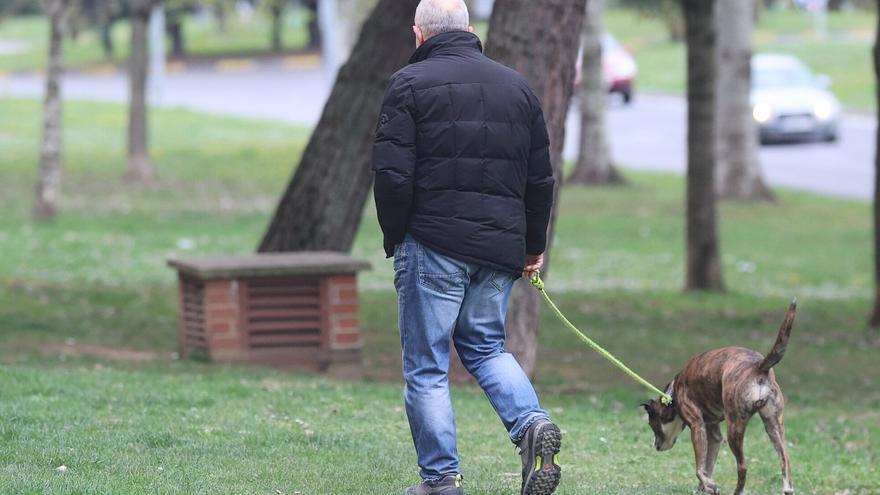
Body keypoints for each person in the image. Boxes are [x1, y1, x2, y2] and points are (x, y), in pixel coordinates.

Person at [372, 1, 560, 494]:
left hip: (432, 242)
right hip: (499, 247)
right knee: (486, 346)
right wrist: (531, 248)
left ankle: (439, 481)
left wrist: (396, 236)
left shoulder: (407, 85)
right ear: (471, 30)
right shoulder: (518, 87)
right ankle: (531, 424)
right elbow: (540, 180)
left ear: (418, 34)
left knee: (427, 364)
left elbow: (392, 176)